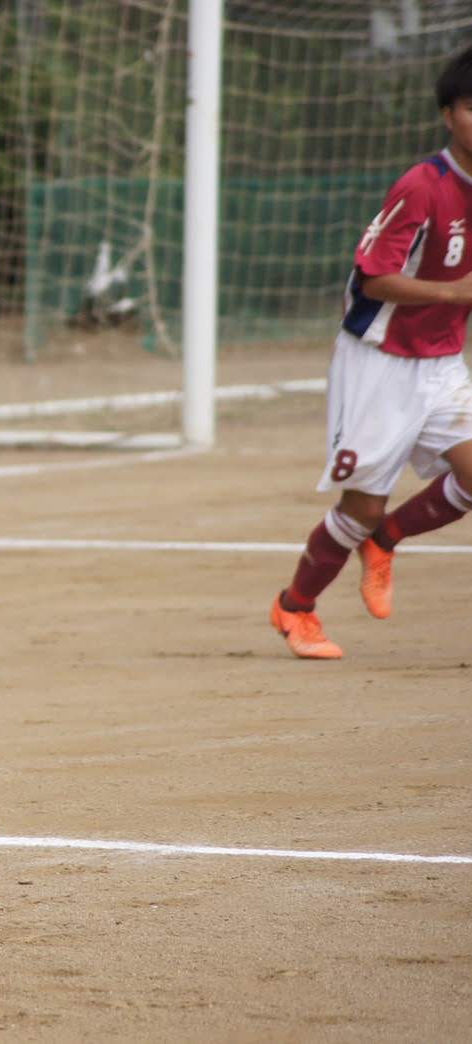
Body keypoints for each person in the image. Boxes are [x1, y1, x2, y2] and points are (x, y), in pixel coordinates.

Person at [269, 44, 472, 660]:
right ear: (448, 115)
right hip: (379, 362)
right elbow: (374, 280)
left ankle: (386, 539)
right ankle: (295, 606)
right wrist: (454, 292)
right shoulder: (423, 185)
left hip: (442, 362)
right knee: (359, 507)